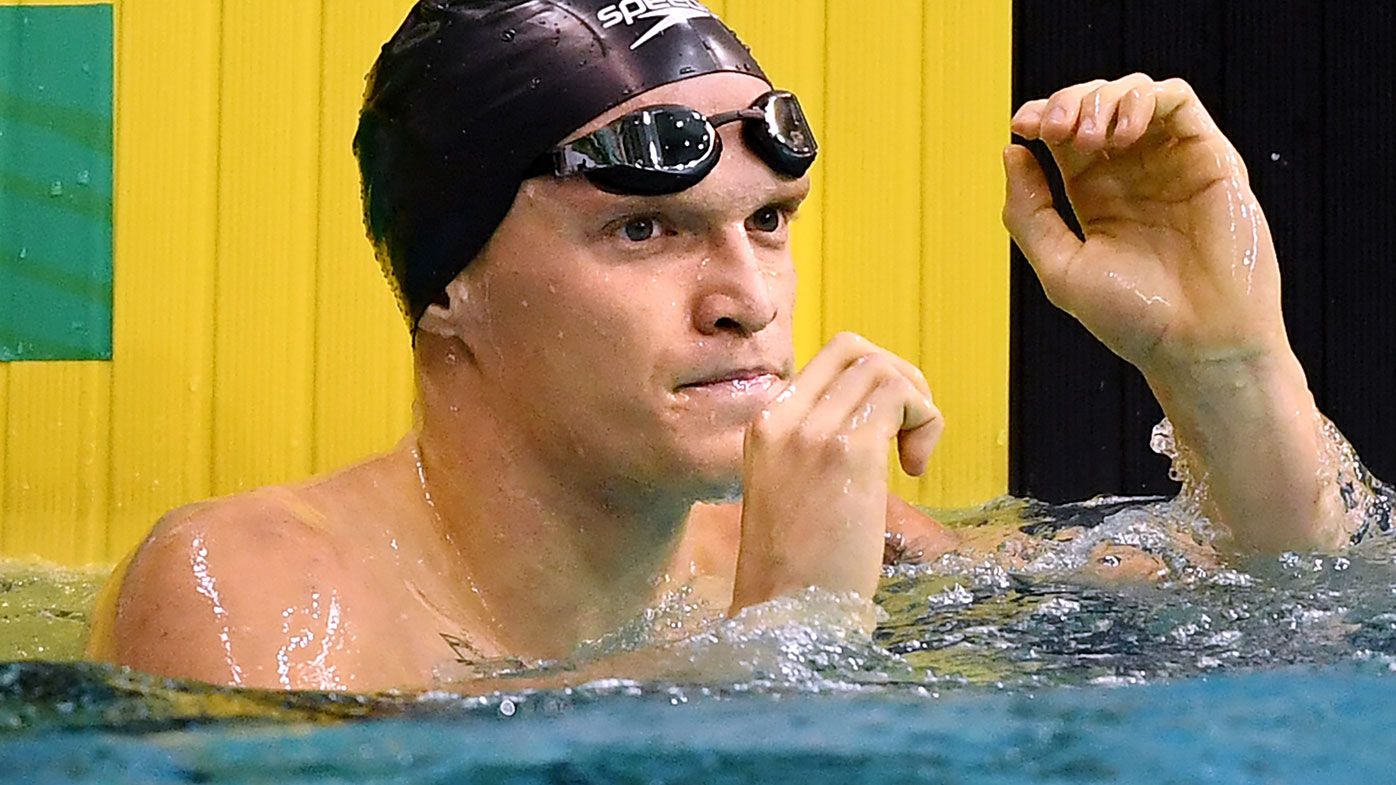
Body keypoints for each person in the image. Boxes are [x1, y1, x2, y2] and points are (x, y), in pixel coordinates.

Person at [84, 0, 1363, 692]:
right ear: (446, 289)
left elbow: (1282, 607)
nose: (746, 295)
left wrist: (1227, 362)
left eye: (768, 221)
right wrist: (786, 638)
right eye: (643, 232)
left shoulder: (794, 542)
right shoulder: (243, 591)